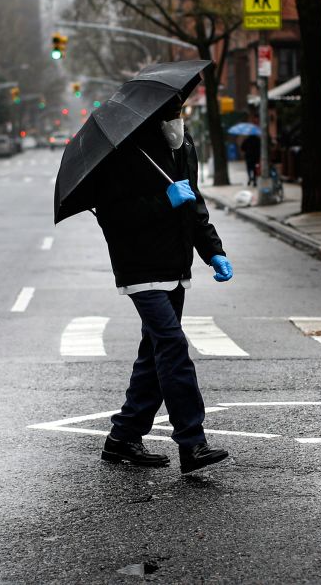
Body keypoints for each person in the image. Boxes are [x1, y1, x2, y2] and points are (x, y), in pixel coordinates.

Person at [93, 96, 233, 475]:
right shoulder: (124, 151)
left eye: (180, 112)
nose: (177, 120)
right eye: (170, 114)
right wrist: (163, 200)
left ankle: (123, 437)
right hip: (139, 266)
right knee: (171, 345)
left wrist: (212, 251)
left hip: (175, 262)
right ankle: (192, 442)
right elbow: (113, 215)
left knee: (155, 352)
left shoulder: (184, 145)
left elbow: (194, 204)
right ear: (152, 117)